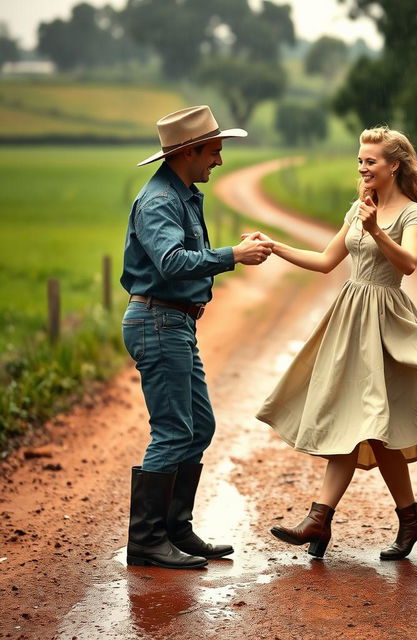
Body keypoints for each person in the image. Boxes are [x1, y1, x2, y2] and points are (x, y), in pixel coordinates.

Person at [252, 126, 417, 560]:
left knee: (374, 426)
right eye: (360, 161)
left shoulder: (411, 213)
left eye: (371, 161)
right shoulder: (358, 207)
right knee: (365, 426)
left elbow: (410, 263)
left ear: (394, 165)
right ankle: (385, 519)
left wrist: (377, 231)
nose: (363, 168)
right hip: (349, 321)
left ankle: (325, 520)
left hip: (386, 325)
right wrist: (275, 246)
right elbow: (326, 262)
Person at [120, 105, 273, 569]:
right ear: (189, 152)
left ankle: (175, 529)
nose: (219, 162)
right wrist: (232, 255)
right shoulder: (160, 201)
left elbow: (187, 254)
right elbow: (171, 262)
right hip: (157, 321)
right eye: (214, 152)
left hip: (176, 322)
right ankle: (146, 541)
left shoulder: (182, 193)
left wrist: (228, 251)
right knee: (172, 431)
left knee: (199, 426)